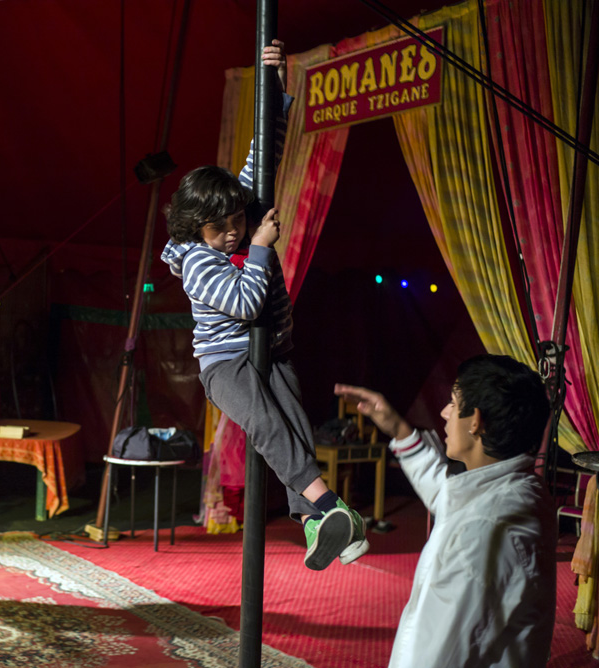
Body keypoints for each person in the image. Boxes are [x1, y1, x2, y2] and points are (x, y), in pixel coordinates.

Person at [160, 40, 368, 571]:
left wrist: (270, 86)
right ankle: (326, 504)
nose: (232, 231)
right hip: (225, 363)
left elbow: (264, 152)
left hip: (273, 349)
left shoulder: (236, 211)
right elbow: (248, 302)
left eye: (236, 220)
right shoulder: (198, 262)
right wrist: (259, 246)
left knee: (295, 422)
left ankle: (323, 523)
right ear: (194, 229)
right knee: (268, 427)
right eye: (220, 228)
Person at [335, 353, 555, 667]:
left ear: (476, 421)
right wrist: (398, 427)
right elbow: (449, 498)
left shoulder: (482, 533)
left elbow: (437, 656)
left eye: (453, 402)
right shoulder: (517, 491)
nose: (444, 412)